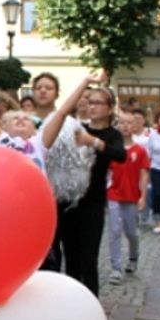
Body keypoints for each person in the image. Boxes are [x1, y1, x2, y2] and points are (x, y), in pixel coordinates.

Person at [52, 84, 126, 295]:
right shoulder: (77, 127)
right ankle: (73, 302)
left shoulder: (112, 134)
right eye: (89, 102)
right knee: (71, 257)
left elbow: (120, 155)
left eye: (97, 103)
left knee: (89, 258)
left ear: (110, 108)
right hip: (68, 201)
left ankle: (92, 302)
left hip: (93, 202)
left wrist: (93, 142)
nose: (91, 106)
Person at [0, 47, 85, 172]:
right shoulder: (0, 139)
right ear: (4, 126)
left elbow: (62, 113)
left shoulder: (39, 143)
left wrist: (85, 82)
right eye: (15, 118)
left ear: (34, 130)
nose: (21, 120)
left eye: (26, 119)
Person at [106, 113, 149, 283]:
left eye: (129, 123)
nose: (125, 126)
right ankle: (116, 268)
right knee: (114, 231)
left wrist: (143, 196)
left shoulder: (140, 150)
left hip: (131, 196)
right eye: (122, 123)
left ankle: (133, 257)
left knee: (131, 232)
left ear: (135, 126)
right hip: (114, 194)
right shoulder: (113, 150)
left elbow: (144, 175)